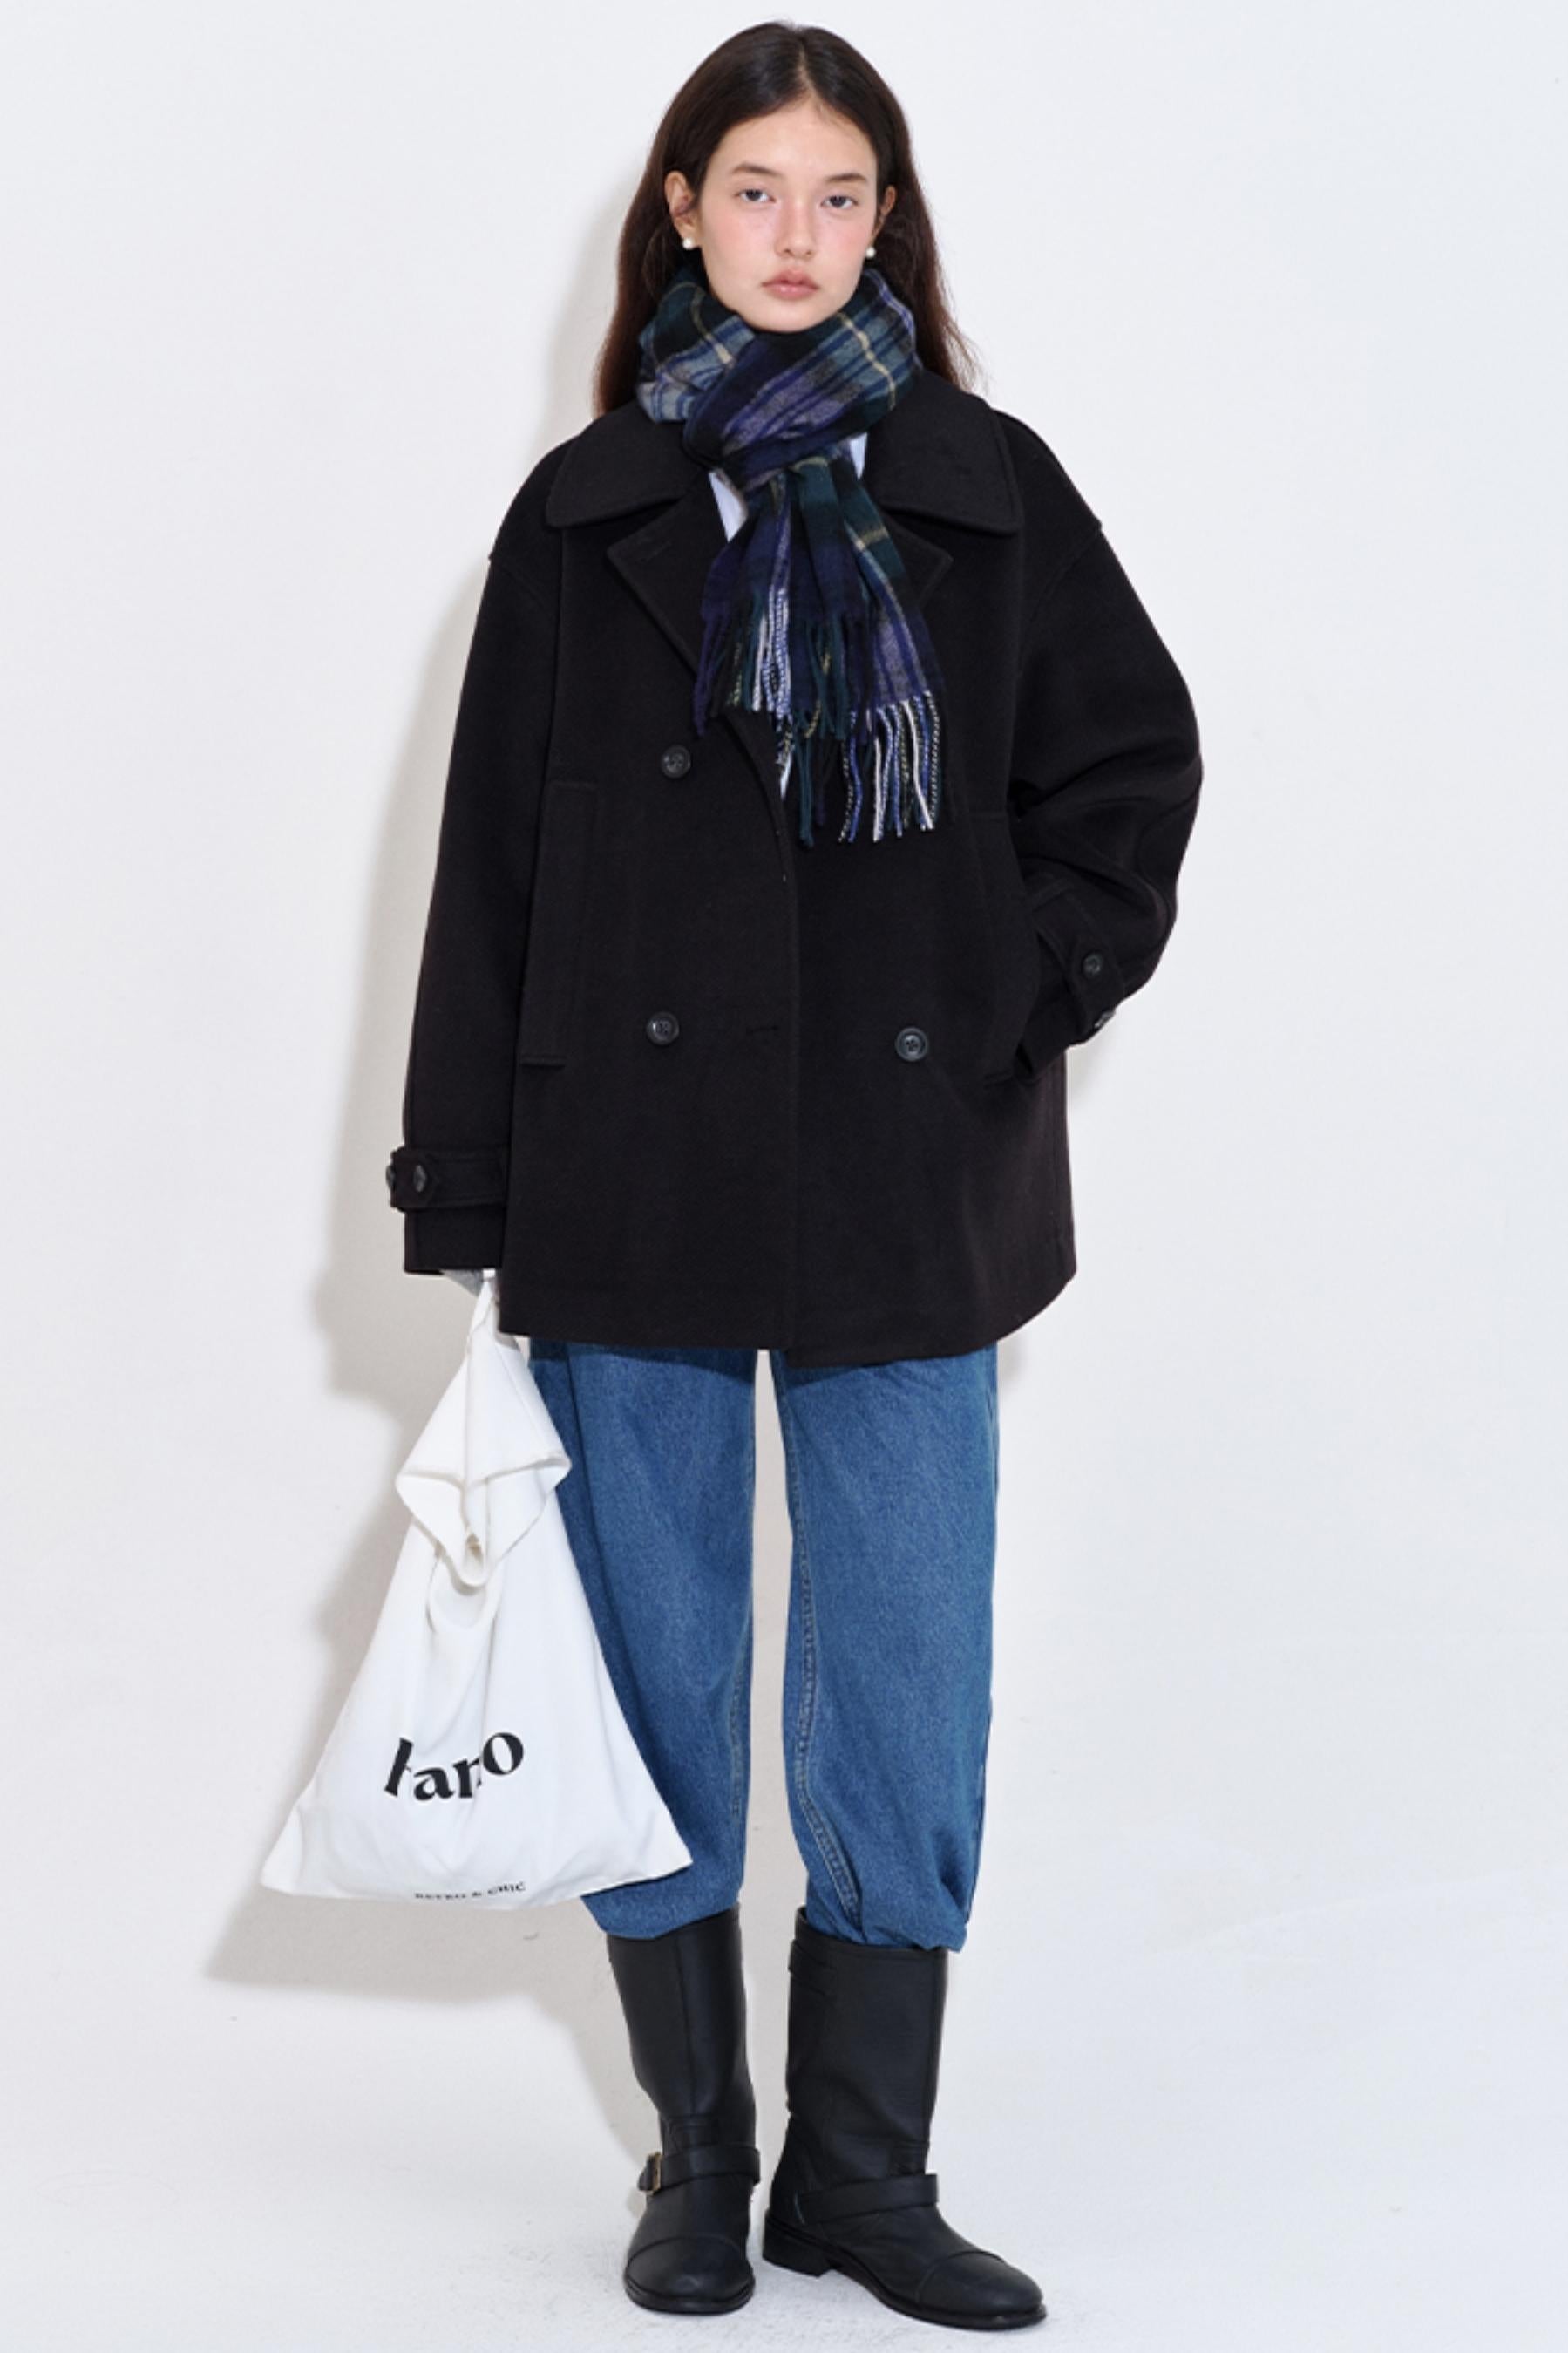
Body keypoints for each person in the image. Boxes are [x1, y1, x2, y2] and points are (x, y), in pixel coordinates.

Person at [386, 21, 1202, 2332]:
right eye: (756, 189)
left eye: (842, 195)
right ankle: (701, 2157)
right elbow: (490, 873)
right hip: (627, 1171)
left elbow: (1130, 768)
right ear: (680, 211)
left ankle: (865, 2172)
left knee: (907, 1680)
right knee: (654, 1679)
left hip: (904, 1168)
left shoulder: (984, 487)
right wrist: (470, 1185)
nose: (798, 234)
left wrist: (1017, 986)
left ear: (888, 223)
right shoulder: (584, 512)